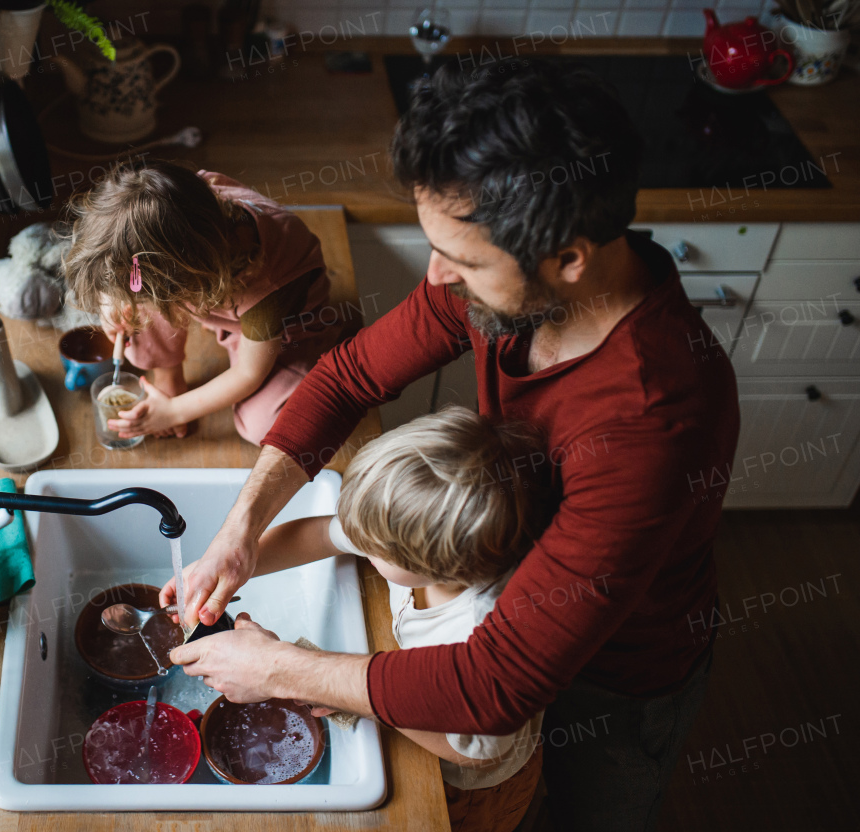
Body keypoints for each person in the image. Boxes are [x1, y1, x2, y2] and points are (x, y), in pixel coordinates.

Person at [166, 60, 740, 831]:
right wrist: (239, 534)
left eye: (461, 260)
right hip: (494, 601)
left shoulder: (653, 421)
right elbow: (344, 380)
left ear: (569, 257)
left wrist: (278, 669)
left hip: (619, 676)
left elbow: (496, 685)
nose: (436, 276)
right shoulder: (504, 290)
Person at [242, 408, 551, 831]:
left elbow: (472, 750)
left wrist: (356, 696)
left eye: (372, 548)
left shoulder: (477, 629)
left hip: (468, 785)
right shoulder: (414, 533)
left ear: (440, 570)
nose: (356, 541)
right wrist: (238, 564)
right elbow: (317, 535)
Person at [63, 160, 346, 443]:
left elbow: (249, 374)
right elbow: (132, 254)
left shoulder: (268, 285)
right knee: (137, 304)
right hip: (200, 286)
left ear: (194, 283)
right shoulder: (182, 201)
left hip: (285, 331)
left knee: (264, 426)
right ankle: (167, 374)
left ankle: (302, 356)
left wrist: (175, 411)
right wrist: (111, 299)